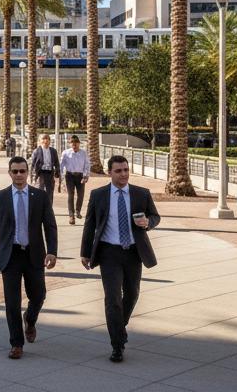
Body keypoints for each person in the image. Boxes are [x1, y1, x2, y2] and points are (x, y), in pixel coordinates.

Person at [80, 154, 161, 363]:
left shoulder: (141, 193)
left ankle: (119, 327)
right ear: (110, 173)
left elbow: (155, 216)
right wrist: (85, 252)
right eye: (118, 171)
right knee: (112, 299)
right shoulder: (98, 195)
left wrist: (148, 223)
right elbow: (90, 224)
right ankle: (117, 345)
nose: (123, 174)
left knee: (132, 294)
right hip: (109, 253)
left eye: (126, 170)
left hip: (134, 252)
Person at [0, 157, 57, 359]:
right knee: (12, 303)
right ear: (10, 173)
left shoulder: (40, 196)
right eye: (15, 171)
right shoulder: (0, 197)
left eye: (22, 171)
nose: (19, 175)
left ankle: (30, 320)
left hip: (34, 254)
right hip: (10, 255)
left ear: (27, 172)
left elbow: (50, 225)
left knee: (38, 295)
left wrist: (52, 251)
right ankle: (16, 343)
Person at [60, 135, 90, 225]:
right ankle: (71, 216)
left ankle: (78, 211)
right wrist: (61, 178)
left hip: (80, 176)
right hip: (69, 176)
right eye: (72, 143)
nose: (74, 145)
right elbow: (61, 165)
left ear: (79, 143)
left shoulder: (83, 153)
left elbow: (87, 165)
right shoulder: (65, 153)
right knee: (71, 195)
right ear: (70, 144)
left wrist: (86, 176)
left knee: (80, 195)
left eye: (76, 143)